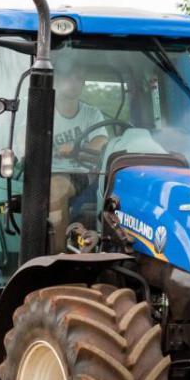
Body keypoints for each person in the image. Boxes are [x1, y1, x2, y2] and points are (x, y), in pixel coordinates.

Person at [48, 70, 107, 251]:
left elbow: (101, 141)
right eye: (69, 75)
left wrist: (77, 150)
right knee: (56, 185)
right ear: (55, 79)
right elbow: (23, 141)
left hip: (83, 174)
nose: (75, 81)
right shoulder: (42, 111)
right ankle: (58, 256)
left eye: (79, 77)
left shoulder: (91, 113)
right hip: (45, 172)